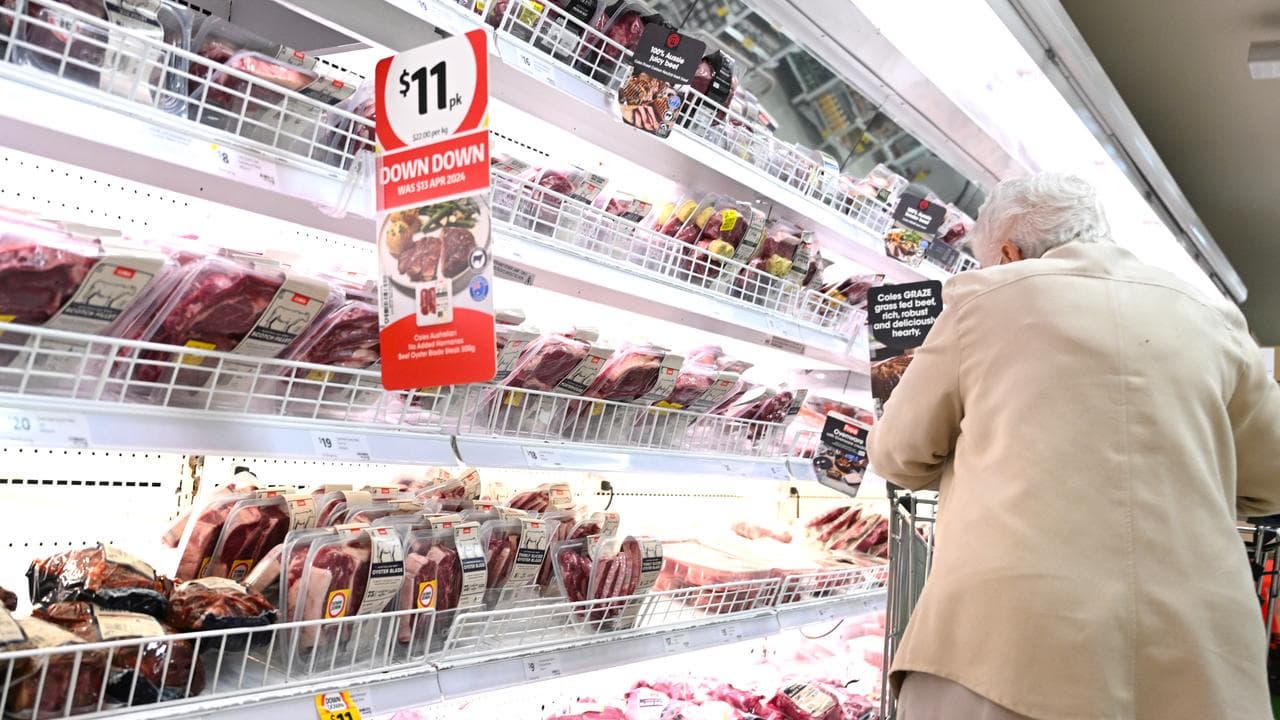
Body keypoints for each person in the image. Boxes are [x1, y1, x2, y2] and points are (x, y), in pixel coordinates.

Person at [868, 173, 1280, 720]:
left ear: (1009, 252)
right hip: (1197, 650)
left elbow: (898, 454)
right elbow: (1270, 479)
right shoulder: (1215, 318)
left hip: (1008, 649)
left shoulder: (980, 302)